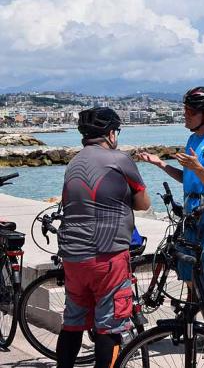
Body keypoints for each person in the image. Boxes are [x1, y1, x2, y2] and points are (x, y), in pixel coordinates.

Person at [56, 107, 151, 368]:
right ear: (110, 134)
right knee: (109, 327)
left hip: (73, 256)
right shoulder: (120, 159)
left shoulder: (73, 163)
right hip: (107, 254)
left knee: (73, 323)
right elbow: (143, 203)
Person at [138, 86, 204, 319]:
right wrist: (161, 165)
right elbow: (188, 179)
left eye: (190, 111)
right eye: (185, 110)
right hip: (191, 214)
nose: (185, 115)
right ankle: (197, 324)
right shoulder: (193, 138)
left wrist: (198, 167)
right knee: (190, 274)